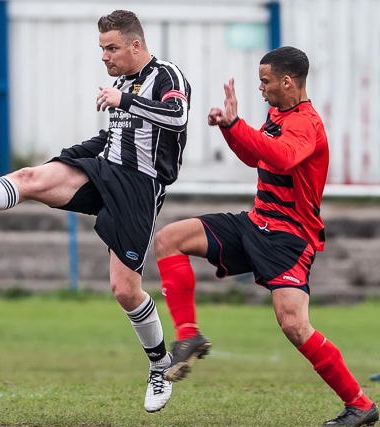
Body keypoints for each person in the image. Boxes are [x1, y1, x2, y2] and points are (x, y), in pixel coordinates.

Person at [0, 10, 191, 413]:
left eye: (111, 48)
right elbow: (119, 133)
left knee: (124, 290)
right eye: (101, 49)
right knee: (31, 178)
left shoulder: (167, 76)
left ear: (136, 45)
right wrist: (82, 149)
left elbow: (177, 118)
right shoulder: (121, 82)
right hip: (105, 164)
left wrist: (124, 99)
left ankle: (160, 364)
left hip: (140, 187)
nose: (105, 57)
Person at [153, 46, 378, 426]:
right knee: (169, 238)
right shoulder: (278, 113)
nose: (261, 88)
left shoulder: (306, 123)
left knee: (293, 324)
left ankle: (360, 405)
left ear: (287, 82)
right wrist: (230, 126)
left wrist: (238, 125)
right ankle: (189, 337)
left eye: (266, 81)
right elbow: (255, 156)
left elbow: (282, 157)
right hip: (255, 223)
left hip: (289, 238)